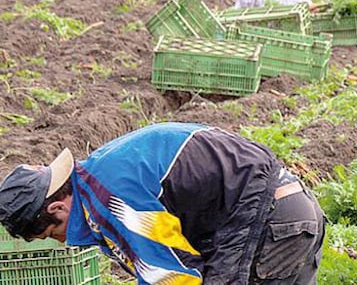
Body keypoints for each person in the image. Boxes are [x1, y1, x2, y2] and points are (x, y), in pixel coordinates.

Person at [0, 122, 325, 285]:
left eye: (50, 234)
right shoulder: (103, 171)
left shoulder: (109, 200)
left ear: (56, 209)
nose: (62, 240)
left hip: (270, 223)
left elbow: (171, 276)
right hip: (291, 210)